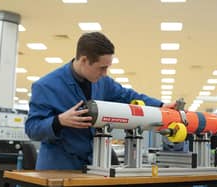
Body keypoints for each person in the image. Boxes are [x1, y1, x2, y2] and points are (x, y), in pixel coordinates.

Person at [25, 32, 171, 170]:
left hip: (94, 167)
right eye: (102, 67)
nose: (105, 73)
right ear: (83, 60)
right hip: (58, 168)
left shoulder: (103, 82)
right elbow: (32, 128)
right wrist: (59, 121)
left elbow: (128, 96)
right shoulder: (46, 86)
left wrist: (161, 105)